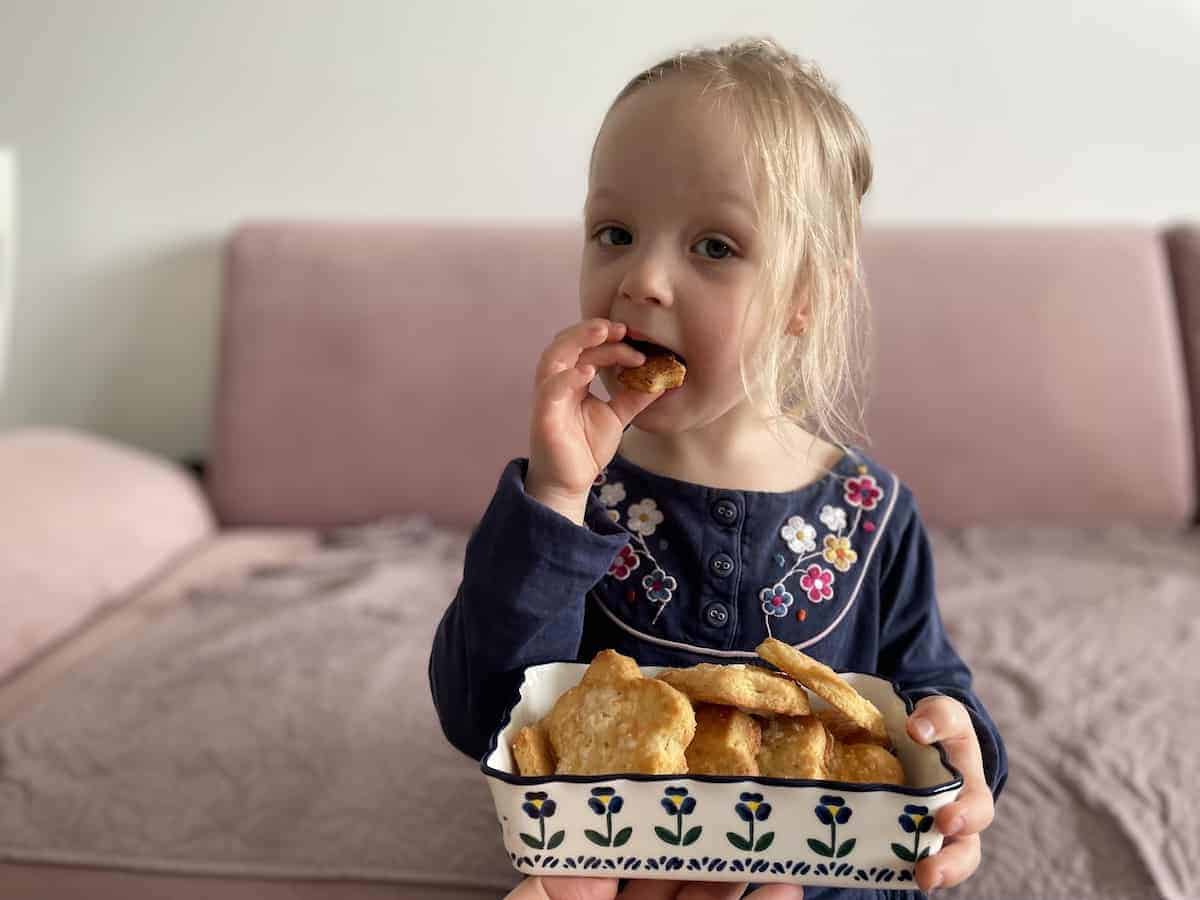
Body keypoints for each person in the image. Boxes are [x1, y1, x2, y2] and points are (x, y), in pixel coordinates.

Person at [429, 36, 1007, 900]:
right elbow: (483, 712)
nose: (645, 279)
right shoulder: (575, 495)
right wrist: (556, 495)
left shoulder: (871, 513)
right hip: (610, 869)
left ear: (807, 295)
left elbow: (925, 687)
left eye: (714, 247)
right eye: (614, 232)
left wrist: (961, 756)